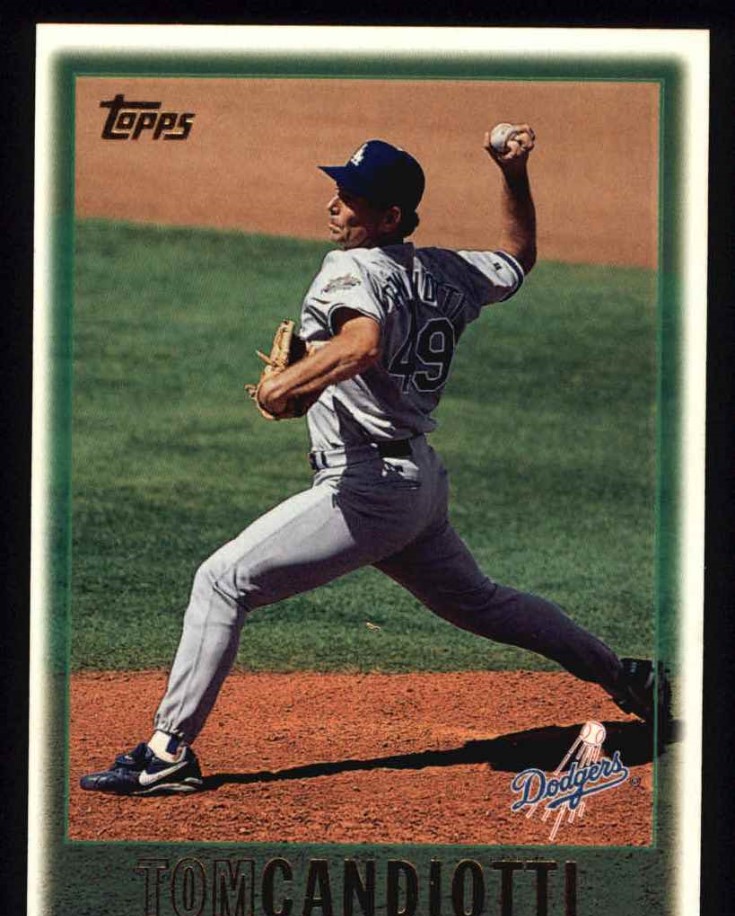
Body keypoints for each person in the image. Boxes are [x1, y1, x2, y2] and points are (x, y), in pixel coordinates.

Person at [81, 129, 664, 796]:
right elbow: (518, 255)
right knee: (481, 603)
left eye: (352, 198)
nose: (335, 204)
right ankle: (626, 676)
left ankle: (165, 753)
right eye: (339, 189)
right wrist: (513, 172)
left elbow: (361, 344)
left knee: (221, 582)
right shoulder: (447, 271)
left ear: (389, 216)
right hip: (416, 483)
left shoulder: (351, 269)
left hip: (367, 490)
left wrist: (283, 387)